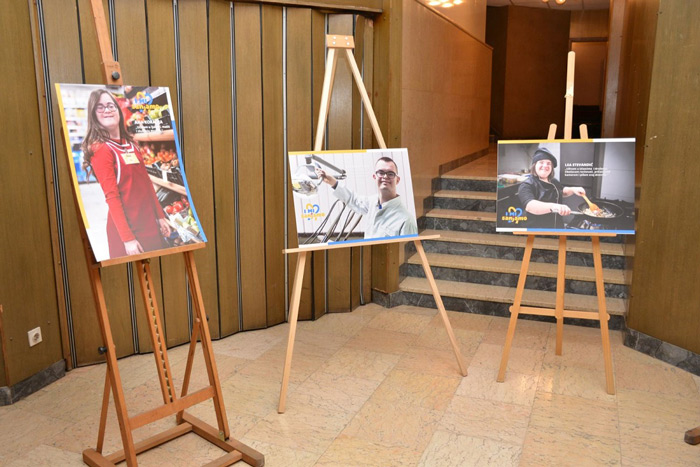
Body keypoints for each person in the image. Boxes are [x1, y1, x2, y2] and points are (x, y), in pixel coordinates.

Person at [81, 89, 171, 258]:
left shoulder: (131, 144)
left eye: (111, 105)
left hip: (148, 221)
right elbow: (112, 197)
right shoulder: (102, 150)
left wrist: (159, 216)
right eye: (100, 107)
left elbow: (146, 183)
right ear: (93, 114)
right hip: (129, 229)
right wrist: (128, 239)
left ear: (118, 110)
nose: (107, 110)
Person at [316, 157, 418, 239]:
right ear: (374, 177)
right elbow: (352, 199)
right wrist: (331, 181)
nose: (385, 177)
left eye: (390, 174)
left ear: (397, 180)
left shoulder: (406, 220)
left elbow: (408, 253)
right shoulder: (371, 203)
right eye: (381, 173)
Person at [517, 147, 586, 229]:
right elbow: (530, 206)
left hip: (557, 226)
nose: (545, 166)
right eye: (541, 162)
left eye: (548, 163)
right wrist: (555, 206)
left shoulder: (553, 181)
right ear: (534, 165)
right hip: (537, 229)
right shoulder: (526, 185)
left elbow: (561, 191)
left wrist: (573, 189)